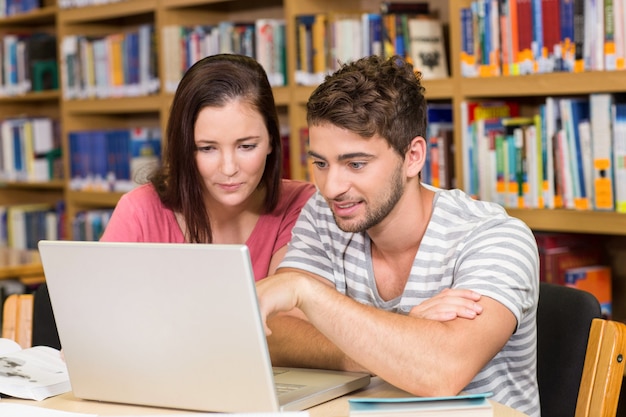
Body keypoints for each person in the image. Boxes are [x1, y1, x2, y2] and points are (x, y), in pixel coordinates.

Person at [255, 55, 540, 417]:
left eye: (356, 164)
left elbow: (441, 371)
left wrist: (307, 293)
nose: (331, 187)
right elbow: (275, 334)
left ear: (414, 156)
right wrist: (399, 341)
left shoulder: (495, 237)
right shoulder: (324, 214)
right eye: (321, 163)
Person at [100, 54, 316, 280]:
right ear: (185, 148)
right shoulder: (140, 211)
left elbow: (287, 311)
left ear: (272, 140)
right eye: (207, 149)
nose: (229, 168)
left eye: (246, 146)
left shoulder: (300, 205)